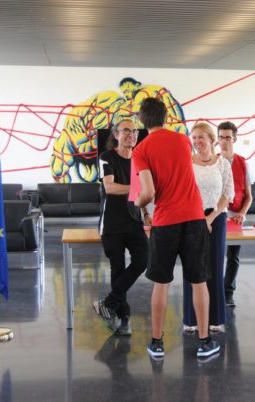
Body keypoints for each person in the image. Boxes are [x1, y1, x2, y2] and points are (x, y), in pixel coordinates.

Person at [133, 98, 220, 359]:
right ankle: (204, 341)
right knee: (198, 282)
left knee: (161, 284)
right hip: (194, 218)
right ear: (166, 117)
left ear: (141, 120)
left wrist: (138, 203)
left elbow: (148, 193)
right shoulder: (183, 140)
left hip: (165, 221)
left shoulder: (141, 150)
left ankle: (157, 343)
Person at [92, 119, 148, 336]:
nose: (131, 135)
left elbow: (141, 195)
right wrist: (138, 187)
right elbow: (110, 187)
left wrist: (145, 212)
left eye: (134, 131)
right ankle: (124, 319)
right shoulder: (106, 157)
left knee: (144, 260)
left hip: (133, 220)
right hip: (112, 223)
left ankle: (107, 304)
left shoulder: (139, 160)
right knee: (117, 269)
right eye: (126, 131)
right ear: (116, 134)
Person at [183, 122, 234, 334]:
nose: (197, 142)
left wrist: (210, 217)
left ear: (212, 140)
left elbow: (227, 194)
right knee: (192, 268)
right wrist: (198, 218)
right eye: (194, 138)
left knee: (215, 266)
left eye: (201, 137)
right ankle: (190, 319)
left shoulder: (223, 164)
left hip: (216, 218)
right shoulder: (187, 162)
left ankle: (215, 319)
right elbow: (183, 192)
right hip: (190, 218)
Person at [217, 121, 252, 307]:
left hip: (235, 217)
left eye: (228, 138)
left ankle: (228, 293)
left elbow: (249, 196)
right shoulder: (212, 161)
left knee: (233, 257)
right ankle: (214, 291)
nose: (224, 141)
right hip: (215, 215)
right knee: (213, 255)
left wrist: (243, 213)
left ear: (235, 139)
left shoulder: (243, 163)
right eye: (221, 137)